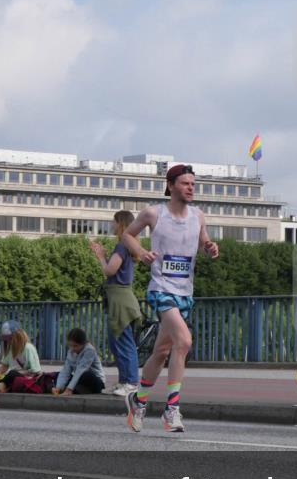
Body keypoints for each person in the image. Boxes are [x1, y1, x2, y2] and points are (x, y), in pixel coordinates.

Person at [120, 164, 219, 433]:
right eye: (186, 183)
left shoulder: (198, 215)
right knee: (184, 341)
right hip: (161, 288)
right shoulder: (154, 213)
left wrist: (210, 247)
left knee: (162, 351)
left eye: (193, 184)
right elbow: (127, 235)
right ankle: (171, 410)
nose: (191, 188)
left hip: (185, 290)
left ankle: (138, 400)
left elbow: (203, 240)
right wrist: (141, 252)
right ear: (171, 185)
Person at [90, 210, 142, 396]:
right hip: (119, 299)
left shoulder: (121, 246)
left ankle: (132, 383)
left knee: (124, 343)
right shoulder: (128, 246)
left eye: (113, 222)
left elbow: (110, 270)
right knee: (117, 343)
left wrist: (100, 256)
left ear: (120, 224)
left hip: (120, 300)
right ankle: (123, 382)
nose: (111, 225)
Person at [0, 323, 42, 393]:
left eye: (9, 338)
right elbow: (5, 366)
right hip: (9, 378)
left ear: (18, 336)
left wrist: (18, 373)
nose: (8, 341)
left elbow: (35, 371)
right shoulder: (9, 348)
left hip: (24, 378)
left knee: (12, 373)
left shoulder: (28, 348)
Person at [52, 328, 106, 396]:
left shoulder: (90, 350)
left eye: (75, 346)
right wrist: (58, 387)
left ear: (84, 343)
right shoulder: (71, 351)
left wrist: (69, 389)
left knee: (86, 374)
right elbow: (66, 370)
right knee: (58, 374)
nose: (72, 348)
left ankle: (74, 389)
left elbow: (81, 370)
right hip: (79, 379)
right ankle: (77, 389)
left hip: (95, 381)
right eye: (70, 345)